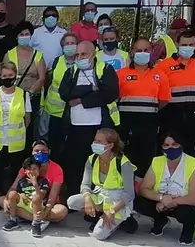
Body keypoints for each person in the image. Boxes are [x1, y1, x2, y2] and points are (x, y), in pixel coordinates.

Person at [58, 41, 120, 192]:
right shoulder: (71, 71)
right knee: (74, 163)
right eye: (77, 55)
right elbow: (65, 93)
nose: (80, 57)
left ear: (93, 54)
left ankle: (98, 195)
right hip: (75, 127)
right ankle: (74, 194)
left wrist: (80, 100)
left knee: (100, 162)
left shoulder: (105, 69)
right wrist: (91, 89)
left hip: (99, 128)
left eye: (83, 54)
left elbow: (109, 94)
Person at [136, 131, 195, 245]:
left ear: (181, 145)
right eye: (166, 145)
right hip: (161, 201)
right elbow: (144, 189)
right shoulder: (157, 161)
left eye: (174, 144)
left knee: (189, 212)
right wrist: (161, 198)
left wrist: (171, 202)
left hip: (182, 204)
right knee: (138, 201)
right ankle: (160, 220)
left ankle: (188, 230)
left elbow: (194, 199)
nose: (171, 148)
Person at [66, 128, 138, 240]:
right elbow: (85, 185)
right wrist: (87, 198)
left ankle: (124, 219)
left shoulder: (123, 163)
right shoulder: (92, 159)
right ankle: (101, 215)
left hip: (118, 201)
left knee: (99, 235)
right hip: (100, 196)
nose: (94, 143)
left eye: (99, 141)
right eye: (95, 140)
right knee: (72, 202)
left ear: (110, 146)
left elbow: (129, 194)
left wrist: (112, 211)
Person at [116, 38, 171, 177]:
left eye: (146, 50)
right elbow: (114, 98)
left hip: (148, 125)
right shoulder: (121, 74)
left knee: (145, 159)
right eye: (139, 50)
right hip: (126, 124)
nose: (142, 53)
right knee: (124, 158)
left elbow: (164, 100)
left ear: (151, 51)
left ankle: (141, 191)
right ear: (132, 52)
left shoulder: (160, 74)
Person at [0, 61, 31, 210]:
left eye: (10, 75)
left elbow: (28, 118)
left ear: (16, 76)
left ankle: (12, 196)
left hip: (16, 142)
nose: (8, 78)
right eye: (4, 75)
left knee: (14, 171)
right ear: (0, 77)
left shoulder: (24, 95)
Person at [155, 29, 195, 151]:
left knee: (188, 147)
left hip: (191, 113)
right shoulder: (165, 65)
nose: (187, 47)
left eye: (191, 45)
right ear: (177, 44)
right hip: (170, 113)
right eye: (184, 45)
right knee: (167, 145)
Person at [2, 139, 68, 234]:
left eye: (43, 151)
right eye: (37, 151)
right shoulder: (27, 166)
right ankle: (37, 219)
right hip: (26, 201)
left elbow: (52, 197)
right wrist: (6, 201)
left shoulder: (57, 169)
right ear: (32, 152)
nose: (40, 153)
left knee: (62, 211)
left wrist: (45, 211)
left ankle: (26, 217)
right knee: (3, 200)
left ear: (49, 152)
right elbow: (14, 187)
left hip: (45, 203)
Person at [6, 21, 46, 146]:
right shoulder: (9, 54)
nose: (24, 36)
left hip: (33, 96)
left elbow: (42, 77)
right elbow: (4, 75)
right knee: (14, 126)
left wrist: (30, 93)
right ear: (17, 37)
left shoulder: (38, 55)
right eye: (21, 34)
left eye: (27, 34)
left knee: (31, 128)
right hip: (14, 97)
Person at [42, 32, 80, 153]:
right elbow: (47, 82)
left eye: (72, 43)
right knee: (54, 145)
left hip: (75, 112)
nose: (70, 46)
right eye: (67, 43)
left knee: (71, 146)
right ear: (62, 46)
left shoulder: (83, 64)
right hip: (55, 113)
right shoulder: (55, 62)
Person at [2, 157, 50, 235]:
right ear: (25, 171)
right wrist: (22, 195)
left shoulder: (43, 181)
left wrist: (35, 184)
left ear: (39, 170)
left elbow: (41, 196)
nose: (32, 171)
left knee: (36, 197)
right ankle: (13, 219)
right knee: (12, 194)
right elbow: (17, 194)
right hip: (24, 203)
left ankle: (36, 223)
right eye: (29, 169)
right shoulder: (22, 181)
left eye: (34, 169)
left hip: (36, 206)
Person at [31, 5, 67, 71]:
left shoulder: (64, 33)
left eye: (54, 15)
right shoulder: (36, 32)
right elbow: (29, 50)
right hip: (38, 70)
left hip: (58, 69)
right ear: (43, 19)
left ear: (57, 18)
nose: (51, 17)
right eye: (48, 15)